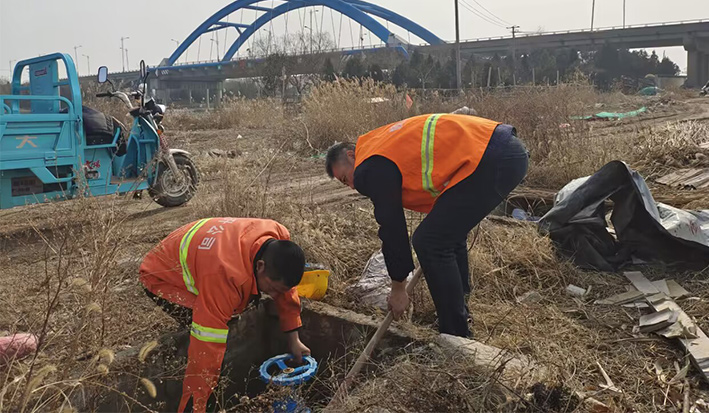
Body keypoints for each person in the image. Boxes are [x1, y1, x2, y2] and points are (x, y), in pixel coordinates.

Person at [325, 113, 528, 338]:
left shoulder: (368, 166)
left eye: (346, 178)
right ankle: (459, 316)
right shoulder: (378, 146)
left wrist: (398, 287)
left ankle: (455, 334)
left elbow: (391, 225)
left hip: (493, 157)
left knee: (430, 241)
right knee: (445, 236)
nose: (353, 187)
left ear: (351, 155)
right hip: (500, 151)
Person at [139, 218, 310, 413]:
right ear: (260, 266)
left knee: (227, 315)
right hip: (160, 274)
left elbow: (286, 292)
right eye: (272, 289)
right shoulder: (224, 276)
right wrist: (197, 405)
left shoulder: (277, 237)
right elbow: (206, 345)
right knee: (207, 334)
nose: (275, 296)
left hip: (200, 250)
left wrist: (294, 340)